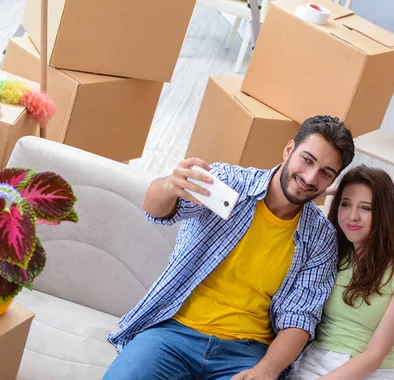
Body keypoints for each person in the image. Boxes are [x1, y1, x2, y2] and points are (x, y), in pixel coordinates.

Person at [103, 116, 355, 380]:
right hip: (173, 333)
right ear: (289, 149)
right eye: (307, 159)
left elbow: (300, 318)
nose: (310, 177)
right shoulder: (230, 182)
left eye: (326, 173)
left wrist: (265, 371)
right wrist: (169, 185)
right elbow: (158, 211)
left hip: (246, 354)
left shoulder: (321, 238)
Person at [288, 166, 394, 380]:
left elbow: (374, 356)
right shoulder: (330, 250)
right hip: (312, 362)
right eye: (345, 204)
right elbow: (287, 205)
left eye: (366, 208)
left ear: (383, 212)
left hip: (367, 372)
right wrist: (327, 190)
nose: (352, 217)